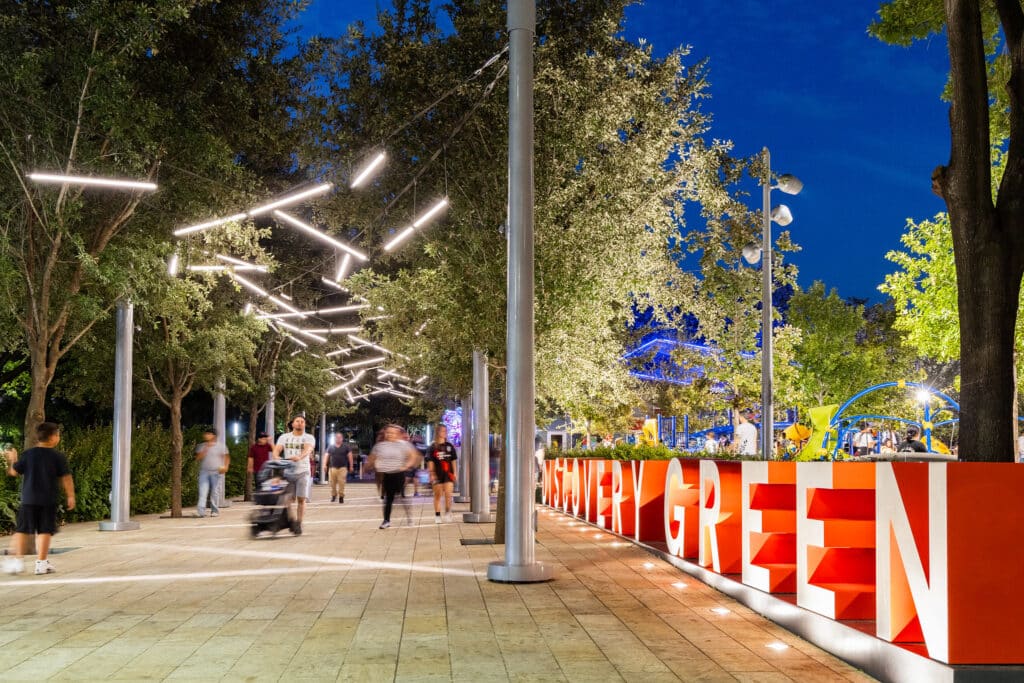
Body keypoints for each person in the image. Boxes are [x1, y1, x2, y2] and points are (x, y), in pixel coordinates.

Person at [3, 422, 76, 575]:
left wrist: (12, 459)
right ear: (52, 437)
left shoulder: (28, 454)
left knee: (22, 530)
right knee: (44, 531)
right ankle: (41, 564)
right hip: (48, 500)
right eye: (58, 435)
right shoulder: (58, 457)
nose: (58, 438)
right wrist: (70, 496)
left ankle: (18, 563)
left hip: (28, 500)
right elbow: (66, 478)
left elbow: (13, 472)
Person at [367, 424, 420, 529]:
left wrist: (407, 465)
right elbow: (372, 458)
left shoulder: (404, 444)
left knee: (402, 497)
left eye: (392, 433)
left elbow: (414, 456)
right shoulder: (380, 446)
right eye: (388, 432)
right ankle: (386, 520)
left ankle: (409, 517)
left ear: (397, 434)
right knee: (388, 498)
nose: (390, 434)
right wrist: (370, 465)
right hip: (387, 475)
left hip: (399, 474)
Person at [273, 415, 316, 533]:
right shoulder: (284, 437)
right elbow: (277, 450)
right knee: (287, 499)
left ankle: (299, 523)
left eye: (302, 421)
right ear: (292, 424)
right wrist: (276, 458)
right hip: (288, 472)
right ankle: (292, 520)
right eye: (297, 421)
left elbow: (308, 449)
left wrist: (299, 456)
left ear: (305, 424)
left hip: (303, 471)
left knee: (301, 499)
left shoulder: (309, 437)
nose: (300, 423)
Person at [426, 424, 458, 523]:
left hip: (448, 474)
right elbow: (430, 461)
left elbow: (453, 460)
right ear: (438, 432)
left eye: (445, 431)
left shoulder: (449, 446)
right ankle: (437, 515)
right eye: (442, 431)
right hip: (437, 474)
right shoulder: (432, 447)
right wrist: (432, 474)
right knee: (438, 495)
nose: (445, 433)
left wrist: (455, 472)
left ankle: (448, 513)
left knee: (448, 495)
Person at [196, 428, 229, 518]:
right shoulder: (201, 446)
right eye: (206, 434)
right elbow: (198, 458)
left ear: (213, 435)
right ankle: (201, 511)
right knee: (203, 491)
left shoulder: (221, 446)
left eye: (208, 434)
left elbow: (226, 457)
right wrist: (206, 448)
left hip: (216, 472)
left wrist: (226, 467)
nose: (206, 435)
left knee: (215, 492)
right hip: (204, 472)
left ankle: (214, 511)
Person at [327, 433, 353, 503]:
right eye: (337, 437)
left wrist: (351, 466)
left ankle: (341, 496)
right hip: (332, 468)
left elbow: (350, 456)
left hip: (342, 468)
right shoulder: (330, 446)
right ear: (335, 438)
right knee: (332, 483)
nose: (338, 439)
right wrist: (324, 465)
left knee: (342, 483)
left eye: (340, 437)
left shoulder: (346, 446)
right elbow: (326, 455)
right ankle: (334, 495)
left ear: (342, 438)